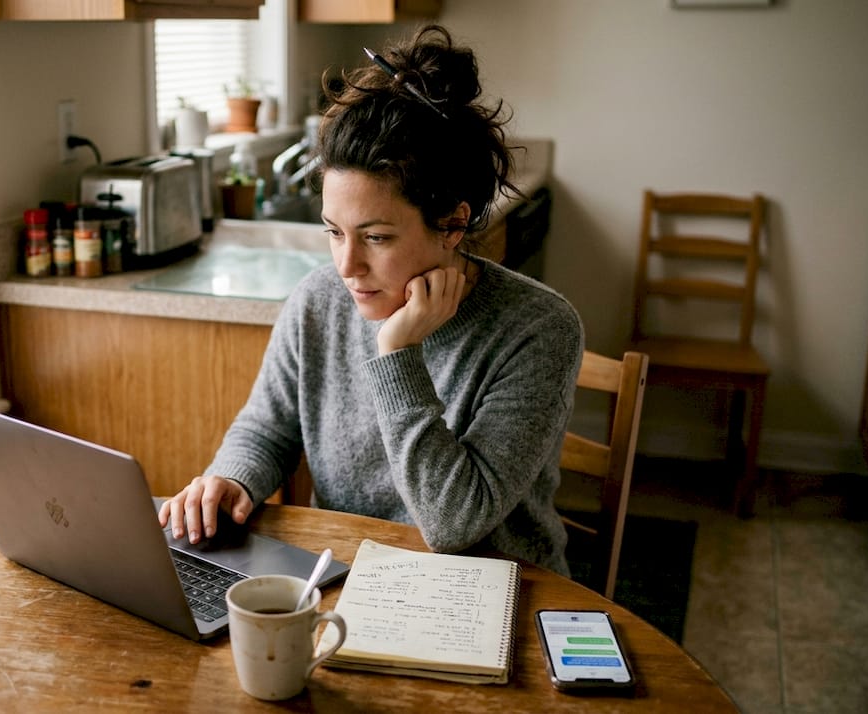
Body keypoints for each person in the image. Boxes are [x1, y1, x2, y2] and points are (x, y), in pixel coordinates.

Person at [159, 24, 583, 574]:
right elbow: (267, 426)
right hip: (347, 579)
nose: (346, 266)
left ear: (453, 223)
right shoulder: (318, 301)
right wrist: (231, 478)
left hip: (497, 591)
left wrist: (397, 354)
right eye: (334, 231)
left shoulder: (538, 328)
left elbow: (453, 524)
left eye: (376, 237)